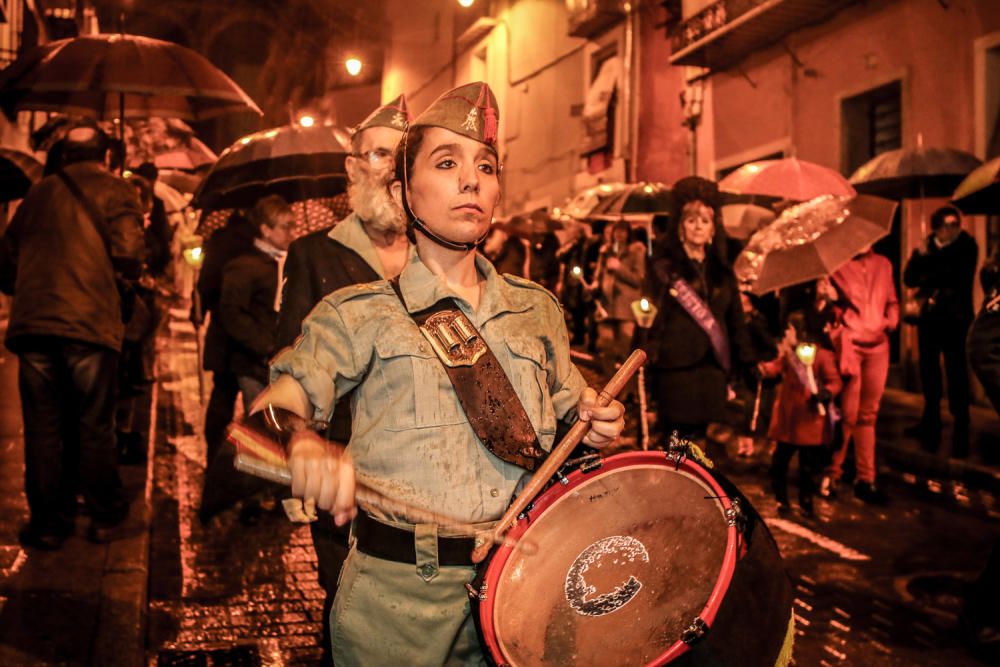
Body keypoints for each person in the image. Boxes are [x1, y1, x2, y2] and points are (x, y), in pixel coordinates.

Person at [254, 82, 625, 665]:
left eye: (486, 166)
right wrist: (301, 441)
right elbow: (277, 402)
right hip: (397, 602)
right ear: (404, 193)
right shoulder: (358, 313)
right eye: (447, 163)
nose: (471, 180)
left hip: (521, 591)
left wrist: (598, 422)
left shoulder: (538, 310)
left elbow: (571, 411)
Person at [274, 96, 410, 667]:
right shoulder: (313, 254)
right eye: (376, 153)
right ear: (352, 167)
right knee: (348, 615)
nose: (388, 167)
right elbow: (290, 366)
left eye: (400, 156)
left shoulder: (445, 259)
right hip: (343, 482)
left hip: (422, 481)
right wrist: (304, 440)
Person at [0, 125, 145, 548]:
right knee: (93, 423)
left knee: (43, 428)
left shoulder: (39, 193)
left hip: (34, 326)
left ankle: (48, 522)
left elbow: (6, 260)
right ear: (105, 156)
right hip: (88, 325)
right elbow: (130, 255)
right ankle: (102, 513)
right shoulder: (117, 191)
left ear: (64, 156)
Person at [644, 176, 752, 441]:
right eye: (691, 221)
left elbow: (734, 319)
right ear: (680, 226)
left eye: (704, 221)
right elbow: (650, 317)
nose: (697, 227)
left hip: (712, 369)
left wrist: (745, 362)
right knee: (676, 444)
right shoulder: (663, 268)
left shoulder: (723, 272)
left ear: (713, 228)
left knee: (703, 449)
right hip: (675, 370)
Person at [820, 246, 899, 505]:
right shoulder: (835, 264)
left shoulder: (883, 264)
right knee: (849, 413)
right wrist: (828, 299)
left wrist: (890, 321)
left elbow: (891, 300)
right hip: (850, 344)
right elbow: (825, 311)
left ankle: (866, 479)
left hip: (879, 346)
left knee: (868, 414)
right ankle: (832, 473)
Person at [902, 205, 978, 455]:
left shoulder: (967, 246)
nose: (951, 229)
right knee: (929, 367)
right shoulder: (926, 247)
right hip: (930, 319)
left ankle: (961, 419)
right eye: (946, 224)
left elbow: (956, 275)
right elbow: (910, 278)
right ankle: (930, 417)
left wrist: (928, 266)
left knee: (956, 368)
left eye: (955, 224)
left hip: (956, 319)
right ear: (937, 227)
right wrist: (920, 256)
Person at [761, 305, 842, 518]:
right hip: (788, 421)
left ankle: (806, 501)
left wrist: (825, 392)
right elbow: (773, 369)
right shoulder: (788, 356)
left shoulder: (822, 356)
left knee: (808, 467)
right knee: (780, 463)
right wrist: (761, 368)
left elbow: (834, 381)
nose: (786, 334)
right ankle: (782, 499)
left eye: (789, 329)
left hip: (809, 422)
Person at [219, 195, 293, 412]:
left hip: (281, 363)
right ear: (266, 229)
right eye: (286, 227)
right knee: (261, 426)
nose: (292, 233)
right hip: (253, 364)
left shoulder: (289, 263)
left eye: (294, 226)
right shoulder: (245, 267)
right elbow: (232, 314)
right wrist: (266, 346)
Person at [197, 210, 256, 466]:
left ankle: (214, 456)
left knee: (222, 394)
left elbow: (205, 285)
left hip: (222, 331)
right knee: (255, 403)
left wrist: (200, 311)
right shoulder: (259, 242)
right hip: (254, 333)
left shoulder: (220, 238)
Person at [593, 219, 646, 382]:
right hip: (607, 306)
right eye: (617, 230)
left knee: (624, 351)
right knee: (605, 345)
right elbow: (599, 274)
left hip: (625, 308)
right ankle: (610, 383)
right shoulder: (606, 251)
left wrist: (619, 268)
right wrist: (595, 284)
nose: (619, 234)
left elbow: (639, 279)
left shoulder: (635, 251)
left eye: (623, 231)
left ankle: (625, 387)